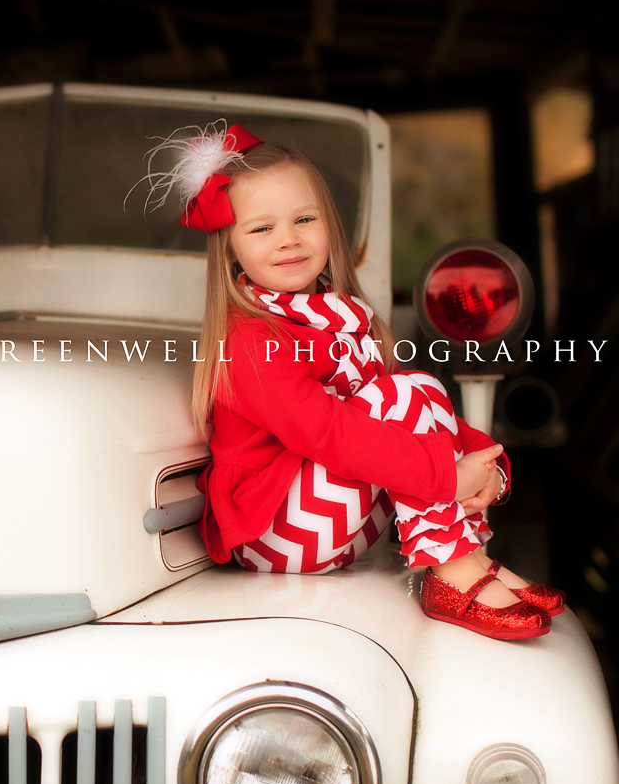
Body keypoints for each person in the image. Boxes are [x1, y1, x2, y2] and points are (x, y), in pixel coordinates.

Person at [142, 121, 565, 639]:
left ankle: (472, 560)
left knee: (413, 386)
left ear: (329, 225)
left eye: (304, 219)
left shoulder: (338, 316)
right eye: (261, 228)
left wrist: (487, 464)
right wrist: (447, 478)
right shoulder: (252, 339)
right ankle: (452, 573)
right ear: (229, 248)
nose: (289, 240)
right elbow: (329, 434)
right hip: (276, 532)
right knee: (401, 393)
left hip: (336, 519)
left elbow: (421, 411)